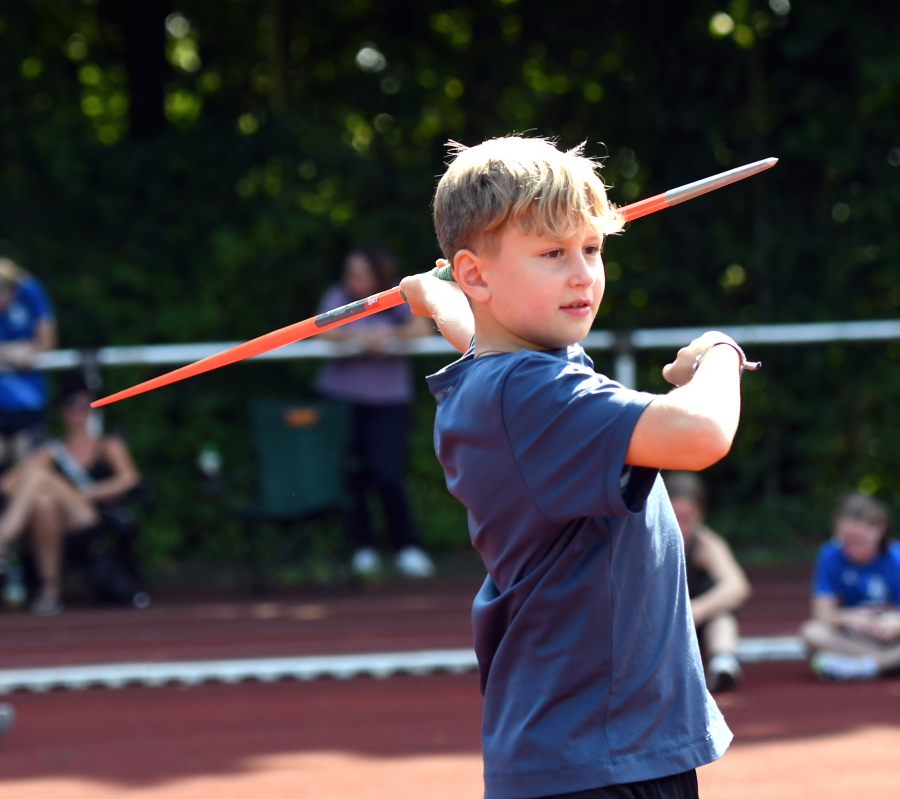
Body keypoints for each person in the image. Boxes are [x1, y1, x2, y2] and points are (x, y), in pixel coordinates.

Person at [398, 136, 753, 799]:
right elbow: (702, 431)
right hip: (597, 755)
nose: (584, 274)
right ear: (477, 275)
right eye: (553, 254)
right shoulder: (531, 392)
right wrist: (719, 355)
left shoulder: (511, 370)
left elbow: (479, 332)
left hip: (601, 747)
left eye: (592, 248)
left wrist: (440, 297)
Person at [315, 244, 436, 579]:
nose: (350, 278)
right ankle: (361, 548)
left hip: (388, 402)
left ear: (377, 274)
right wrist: (364, 335)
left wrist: (391, 335)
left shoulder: (396, 296)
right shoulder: (338, 296)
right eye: (349, 271)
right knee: (352, 475)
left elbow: (421, 329)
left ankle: (406, 547)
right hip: (341, 400)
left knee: (388, 474)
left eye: (359, 272)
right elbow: (323, 331)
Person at [0, 377, 141, 615]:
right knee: (44, 501)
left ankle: (3, 539)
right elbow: (8, 484)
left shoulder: (107, 444)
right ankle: (50, 593)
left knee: (38, 476)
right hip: (57, 518)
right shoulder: (53, 449)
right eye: (71, 404)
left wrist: (88, 492)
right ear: (62, 411)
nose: (78, 410)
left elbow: (129, 479)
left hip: (91, 515)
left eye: (86, 404)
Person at [665, 471, 751, 692]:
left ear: (700, 515)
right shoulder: (644, 545)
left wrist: (698, 609)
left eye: (688, 519)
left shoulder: (706, 544)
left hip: (698, 624)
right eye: (674, 518)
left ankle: (723, 663)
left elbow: (738, 586)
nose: (680, 528)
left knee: (723, 615)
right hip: (661, 625)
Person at [799, 492, 900, 681]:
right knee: (811, 632)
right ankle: (881, 664)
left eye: (860, 541)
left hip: (891, 636)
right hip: (855, 636)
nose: (852, 549)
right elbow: (822, 614)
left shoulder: (896, 558)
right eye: (846, 541)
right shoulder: (830, 555)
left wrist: (895, 622)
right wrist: (847, 617)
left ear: (879, 530)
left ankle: (865, 666)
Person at [0, 258, 57, 467]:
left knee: (30, 467)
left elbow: (48, 342)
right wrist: (9, 352)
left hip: (28, 401)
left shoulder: (30, 290)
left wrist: (30, 351)